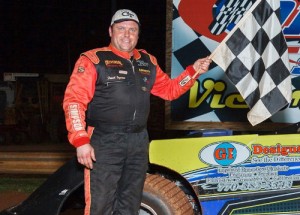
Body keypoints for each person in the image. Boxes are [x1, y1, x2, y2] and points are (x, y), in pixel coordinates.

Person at [63, 8, 211, 215]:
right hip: (103, 141)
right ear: (110, 31)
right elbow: (74, 101)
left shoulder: (147, 61)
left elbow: (170, 90)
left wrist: (193, 71)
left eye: (132, 30)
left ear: (138, 34)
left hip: (138, 141)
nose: (126, 34)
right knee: (101, 203)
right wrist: (80, 140)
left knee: (130, 203)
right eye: (121, 28)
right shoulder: (93, 60)